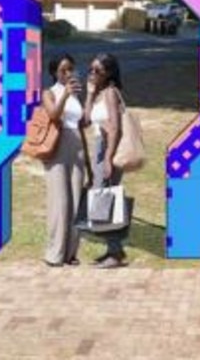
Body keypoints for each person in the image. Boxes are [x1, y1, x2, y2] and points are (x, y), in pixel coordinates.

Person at [41, 53, 90, 267]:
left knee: (77, 201)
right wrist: (64, 95)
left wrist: (88, 160)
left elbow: (82, 124)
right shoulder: (49, 93)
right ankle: (55, 254)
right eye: (63, 70)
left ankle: (71, 253)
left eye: (71, 68)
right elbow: (53, 115)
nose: (68, 73)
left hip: (77, 146)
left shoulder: (76, 94)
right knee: (59, 202)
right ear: (54, 72)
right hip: (57, 148)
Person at [84, 52, 127, 269]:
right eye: (90, 69)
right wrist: (90, 94)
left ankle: (115, 253)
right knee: (103, 197)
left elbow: (116, 129)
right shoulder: (100, 93)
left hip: (108, 149)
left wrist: (108, 158)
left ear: (108, 73)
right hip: (99, 147)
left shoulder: (110, 93)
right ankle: (113, 250)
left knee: (106, 198)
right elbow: (85, 120)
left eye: (97, 71)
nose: (92, 73)